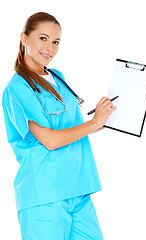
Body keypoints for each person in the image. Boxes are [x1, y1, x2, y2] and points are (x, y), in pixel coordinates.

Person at [2, 12, 116, 240]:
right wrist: (93, 124)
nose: (50, 48)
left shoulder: (58, 77)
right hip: (45, 194)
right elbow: (50, 139)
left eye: (56, 42)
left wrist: (101, 121)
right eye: (43, 38)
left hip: (78, 188)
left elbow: (70, 126)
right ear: (24, 38)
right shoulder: (17, 88)